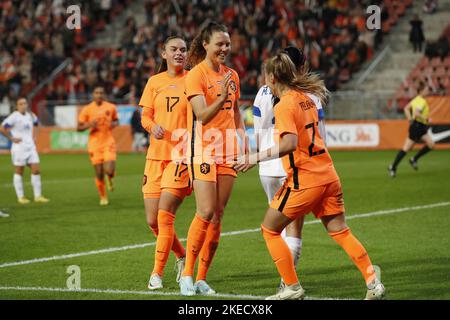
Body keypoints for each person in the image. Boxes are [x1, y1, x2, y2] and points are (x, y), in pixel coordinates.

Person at [235, 53, 385, 300]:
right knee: (340, 231)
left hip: (304, 179)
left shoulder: (283, 105)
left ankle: (292, 286)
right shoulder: (307, 99)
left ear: (272, 77)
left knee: (270, 229)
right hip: (328, 174)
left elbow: (289, 143)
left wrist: (254, 157)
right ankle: (373, 283)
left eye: (265, 75)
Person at [179, 22, 247, 296]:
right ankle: (186, 274)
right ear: (205, 44)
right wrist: (220, 96)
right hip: (204, 150)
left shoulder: (233, 74)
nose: (224, 49)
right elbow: (201, 115)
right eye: (219, 44)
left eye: (227, 44)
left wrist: (244, 142)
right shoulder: (195, 76)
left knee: (218, 216)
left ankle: (202, 278)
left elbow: (237, 113)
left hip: (229, 151)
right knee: (205, 211)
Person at [252, 46, 328, 288]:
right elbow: (319, 135)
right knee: (293, 229)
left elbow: (257, 131)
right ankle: (288, 282)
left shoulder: (263, 92)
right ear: (301, 67)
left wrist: (260, 156)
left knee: (275, 226)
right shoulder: (309, 95)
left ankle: (287, 281)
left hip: (267, 166)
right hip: (292, 164)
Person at [139, 35, 191, 290]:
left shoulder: (192, 80)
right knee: (152, 220)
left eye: (183, 49)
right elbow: (145, 115)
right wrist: (152, 126)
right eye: (174, 49)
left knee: (164, 216)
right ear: (164, 54)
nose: (179, 53)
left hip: (180, 158)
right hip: (155, 157)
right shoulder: (154, 82)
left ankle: (156, 274)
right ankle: (182, 256)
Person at [0, 97, 49, 204]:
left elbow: (36, 125)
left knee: (36, 170)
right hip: (19, 148)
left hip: (31, 147)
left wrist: (35, 137)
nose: (23, 105)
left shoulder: (31, 115)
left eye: (25, 103)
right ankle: (21, 197)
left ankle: (38, 196)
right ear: (17, 106)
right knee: (19, 171)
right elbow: (2, 128)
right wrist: (11, 138)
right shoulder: (14, 116)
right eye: (21, 104)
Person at [77, 86, 118, 205]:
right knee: (99, 173)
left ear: (104, 94)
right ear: (93, 95)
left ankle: (110, 177)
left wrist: (113, 124)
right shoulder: (87, 109)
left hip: (108, 142)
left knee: (109, 170)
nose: (99, 95)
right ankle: (103, 197)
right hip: (94, 144)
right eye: (96, 93)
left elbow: (116, 120)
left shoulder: (111, 107)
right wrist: (90, 124)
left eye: (101, 93)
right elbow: (79, 128)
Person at [388, 82, 434, 177]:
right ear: (421, 91)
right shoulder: (421, 101)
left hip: (419, 126)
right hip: (417, 127)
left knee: (431, 145)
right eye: (426, 89)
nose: (428, 91)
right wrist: (426, 119)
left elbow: (406, 108)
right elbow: (417, 113)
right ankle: (393, 166)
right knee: (406, 149)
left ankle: (413, 159)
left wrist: (410, 120)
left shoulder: (416, 99)